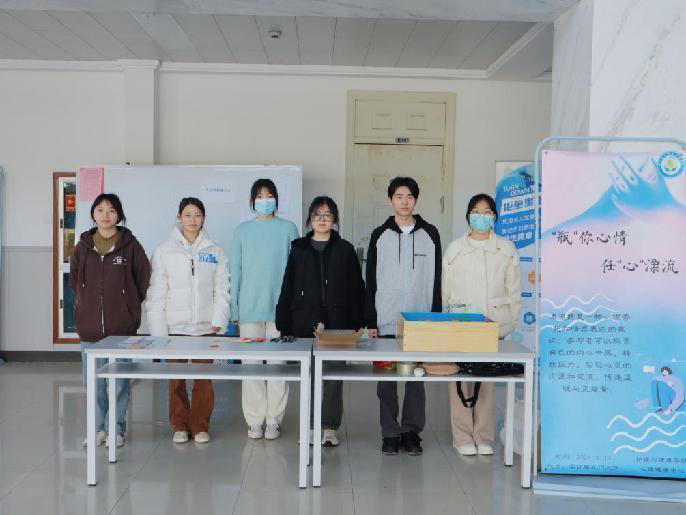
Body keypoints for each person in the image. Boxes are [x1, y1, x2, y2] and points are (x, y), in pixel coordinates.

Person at [276, 196, 365, 447]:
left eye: (327, 215)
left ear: (334, 219)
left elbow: (357, 288)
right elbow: (288, 285)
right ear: (310, 219)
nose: (322, 219)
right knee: (309, 376)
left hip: (339, 322)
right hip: (304, 321)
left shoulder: (345, 249)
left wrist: (360, 320)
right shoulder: (299, 248)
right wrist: (283, 321)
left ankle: (329, 427)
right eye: (317, 215)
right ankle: (310, 425)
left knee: (333, 377)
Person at [365, 177, 442, 456]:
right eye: (399, 196)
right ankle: (389, 432)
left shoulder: (430, 234)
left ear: (416, 200)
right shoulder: (379, 235)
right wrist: (371, 319)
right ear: (391, 200)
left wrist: (435, 319)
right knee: (386, 380)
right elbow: (370, 280)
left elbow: (437, 279)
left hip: (419, 321)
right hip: (386, 318)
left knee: (415, 379)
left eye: (409, 196)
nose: (404, 201)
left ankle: (411, 432)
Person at [146, 197, 230, 444]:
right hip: (176, 328)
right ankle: (180, 426)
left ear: (204, 218)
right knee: (176, 380)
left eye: (198, 215)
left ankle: (200, 426)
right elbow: (157, 290)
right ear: (179, 217)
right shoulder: (165, 250)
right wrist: (159, 330)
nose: (193, 220)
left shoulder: (215, 250)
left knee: (204, 380)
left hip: (205, 327)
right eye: (188, 215)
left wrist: (219, 319)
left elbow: (222, 289)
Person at [442, 193, 521, 456]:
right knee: (460, 379)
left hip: (493, 324)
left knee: (487, 380)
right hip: (462, 323)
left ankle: (484, 436)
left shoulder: (506, 249)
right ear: (468, 216)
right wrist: (449, 320)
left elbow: (513, 291)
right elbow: (446, 291)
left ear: (494, 217)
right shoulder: (455, 249)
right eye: (476, 211)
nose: (481, 217)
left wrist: (509, 322)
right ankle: (462, 436)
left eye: (487, 212)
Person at [70, 193, 150, 449]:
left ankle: (116, 429)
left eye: (111, 210)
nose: (106, 215)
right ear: (93, 214)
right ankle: (98, 429)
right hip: (90, 328)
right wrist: (87, 303)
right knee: (93, 382)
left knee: (119, 382)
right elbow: (75, 281)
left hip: (122, 329)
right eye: (100, 210)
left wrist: (128, 305)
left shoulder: (131, 245)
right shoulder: (83, 247)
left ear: (119, 215)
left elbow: (143, 278)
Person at [231, 179, 299, 440]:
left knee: (277, 367)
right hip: (249, 308)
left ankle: (273, 420)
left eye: (269, 195)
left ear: (276, 199)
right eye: (259, 196)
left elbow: (297, 271)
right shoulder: (242, 231)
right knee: (251, 368)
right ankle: (254, 420)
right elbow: (235, 271)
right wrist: (235, 309)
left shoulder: (288, 229)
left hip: (281, 310)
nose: (265, 200)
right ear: (252, 201)